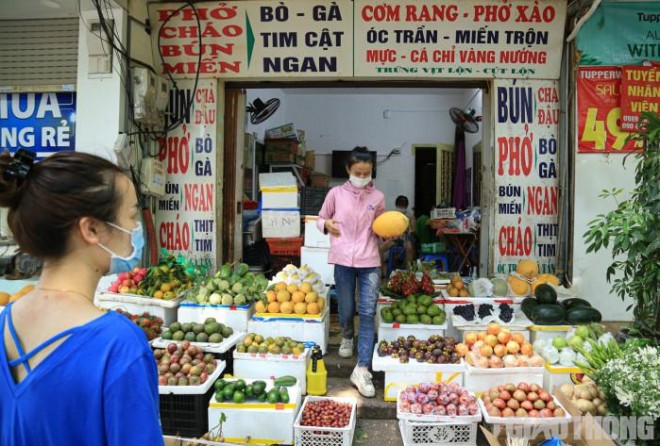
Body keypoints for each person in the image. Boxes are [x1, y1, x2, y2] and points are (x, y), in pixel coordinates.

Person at [0, 149, 163, 445]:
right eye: (130, 216)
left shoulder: (4, 324)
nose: (135, 230)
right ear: (91, 229)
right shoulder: (119, 345)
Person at [316, 146, 384, 397]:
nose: (363, 176)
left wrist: (388, 231)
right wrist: (327, 225)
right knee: (346, 307)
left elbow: (380, 226)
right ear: (348, 170)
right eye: (358, 172)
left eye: (367, 173)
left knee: (367, 312)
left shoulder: (377, 197)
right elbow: (320, 218)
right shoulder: (335, 194)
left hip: (369, 262)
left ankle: (363, 367)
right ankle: (347, 336)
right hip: (343, 259)